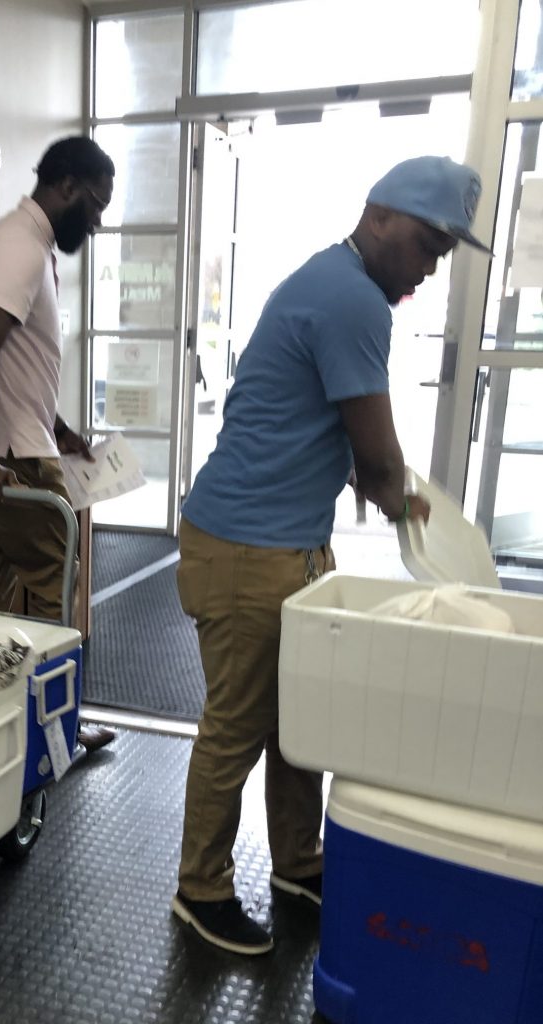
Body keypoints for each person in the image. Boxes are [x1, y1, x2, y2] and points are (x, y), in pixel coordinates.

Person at [171, 155, 491, 954]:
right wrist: (402, 500)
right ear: (377, 215)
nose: (426, 265)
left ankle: (296, 863)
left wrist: (372, 479)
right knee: (237, 726)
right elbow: (377, 454)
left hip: (282, 541)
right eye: (424, 243)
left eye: (441, 254)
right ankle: (199, 888)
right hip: (247, 546)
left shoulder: (330, 280)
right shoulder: (352, 298)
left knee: (298, 720)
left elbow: (314, 417)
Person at [0, 136, 117, 753]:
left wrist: (60, 430)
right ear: (65, 185)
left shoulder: (15, 241)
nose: (96, 220)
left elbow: (16, 362)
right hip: (3, 451)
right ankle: (50, 725)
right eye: (94, 204)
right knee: (57, 575)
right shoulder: (21, 251)